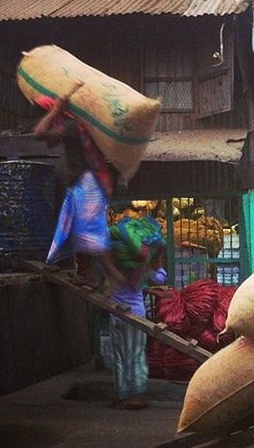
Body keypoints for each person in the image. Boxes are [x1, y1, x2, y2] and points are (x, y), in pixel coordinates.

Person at [33, 83, 126, 291]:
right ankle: (87, 274)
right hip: (84, 183)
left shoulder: (72, 126)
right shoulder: (76, 126)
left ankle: (112, 274)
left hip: (89, 183)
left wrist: (56, 108)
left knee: (89, 231)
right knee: (77, 228)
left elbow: (39, 133)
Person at [108, 220, 167, 410]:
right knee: (136, 354)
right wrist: (158, 261)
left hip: (116, 313)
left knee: (119, 355)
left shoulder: (113, 266)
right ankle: (137, 395)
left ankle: (123, 395)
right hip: (135, 315)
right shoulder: (142, 268)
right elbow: (160, 278)